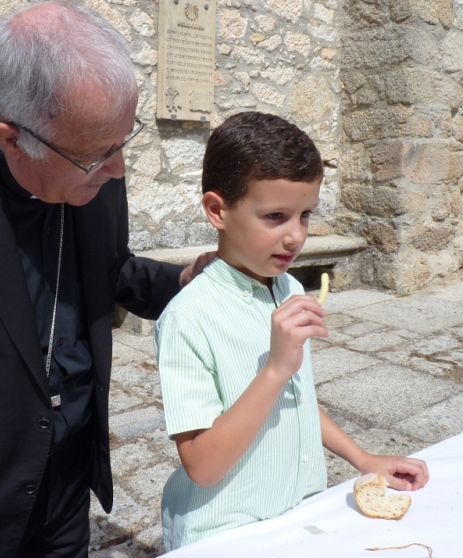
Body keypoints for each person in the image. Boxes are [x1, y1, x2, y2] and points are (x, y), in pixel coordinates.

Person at [0, 1, 212, 558]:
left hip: (66, 487)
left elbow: (107, 271)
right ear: (9, 136)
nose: (118, 168)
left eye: (124, 142)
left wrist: (184, 279)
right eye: (99, 153)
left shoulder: (94, 173)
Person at [154, 111, 430, 551]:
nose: (294, 236)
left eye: (305, 215)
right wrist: (275, 368)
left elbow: (296, 400)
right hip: (226, 532)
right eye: (275, 216)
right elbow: (201, 466)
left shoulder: (288, 287)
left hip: (298, 515)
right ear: (217, 210)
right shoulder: (189, 318)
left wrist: (363, 458)